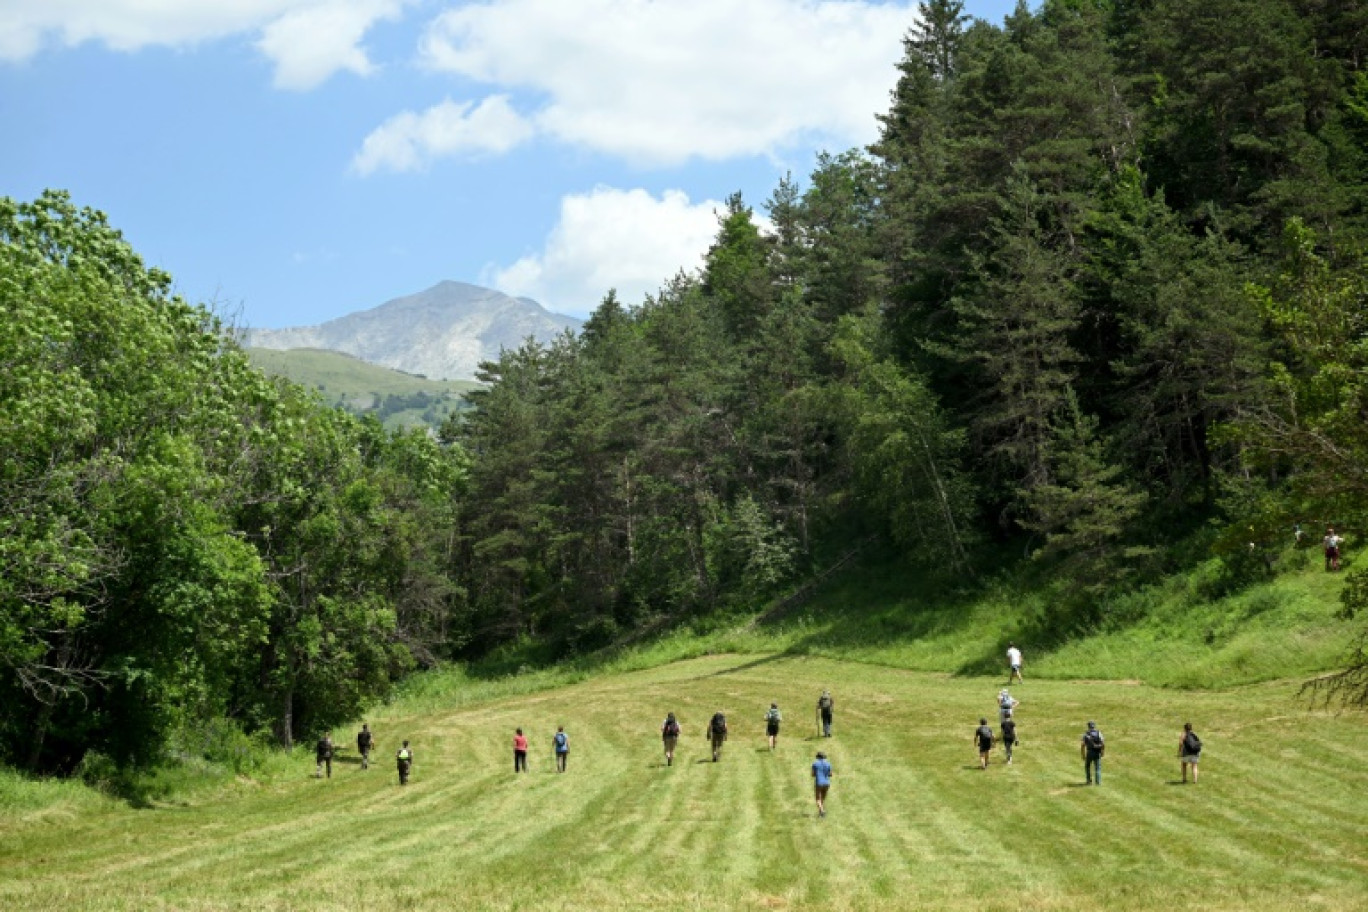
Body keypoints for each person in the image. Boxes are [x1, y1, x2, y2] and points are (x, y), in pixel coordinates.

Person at [811, 751, 833, 817]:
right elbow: (830, 774)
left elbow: (812, 774)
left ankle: (822, 811)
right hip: (827, 783)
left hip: (819, 782)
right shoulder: (828, 764)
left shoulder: (815, 764)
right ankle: (821, 811)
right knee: (822, 798)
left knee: (818, 798)